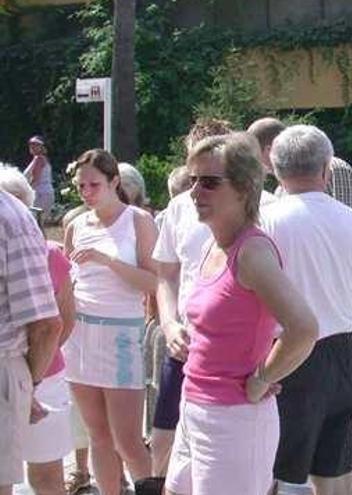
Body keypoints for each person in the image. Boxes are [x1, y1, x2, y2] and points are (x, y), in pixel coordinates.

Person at [163, 133, 318, 495]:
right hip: (195, 405)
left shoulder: (252, 253)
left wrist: (263, 377)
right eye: (193, 181)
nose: (196, 192)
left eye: (210, 182)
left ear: (245, 188)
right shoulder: (214, 244)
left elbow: (304, 328)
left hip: (233, 420)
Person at [264, 125, 352, 495]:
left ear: (275, 168)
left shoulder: (264, 223)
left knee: (273, 472)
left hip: (281, 357)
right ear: (326, 170)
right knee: (335, 474)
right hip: (340, 356)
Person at [150, 119, 247, 480]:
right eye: (195, 171)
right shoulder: (179, 207)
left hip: (235, 351)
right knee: (162, 443)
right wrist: (169, 321)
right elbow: (165, 274)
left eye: (210, 176)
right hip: (185, 342)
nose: (199, 185)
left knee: (237, 456)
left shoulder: (262, 207)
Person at [62, 149, 157, 495]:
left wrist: (106, 260)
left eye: (94, 185)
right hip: (82, 333)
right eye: (81, 186)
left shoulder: (137, 221)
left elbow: (152, 281)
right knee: (96, 434)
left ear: (114, 182)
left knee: (127, 439)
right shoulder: (76, 224)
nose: (87, 192)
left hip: (120, 333)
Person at [0, 165, 74, 495]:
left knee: (44, 474)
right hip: (19, 372)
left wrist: (29, 384)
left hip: (19, 368)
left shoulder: (10, 220)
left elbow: (51, 324)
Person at [24, 135, 54, 215]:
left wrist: (25, 192)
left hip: (40, 193)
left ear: (41, 147)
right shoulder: (38, 159)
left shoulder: (39, 159)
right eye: (31, 144)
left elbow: (35, 179)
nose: (32, 146)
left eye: (36, 144)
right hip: (44, 193)